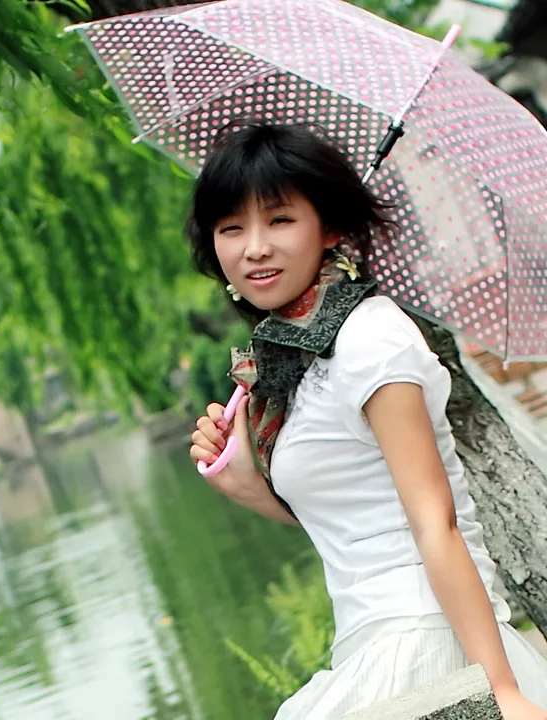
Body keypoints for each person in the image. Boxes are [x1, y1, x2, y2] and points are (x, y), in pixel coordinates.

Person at [187, 123, 547, 719]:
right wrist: (247, 484)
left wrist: (502, 691)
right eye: (232, 228)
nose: (255, 247)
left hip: (428, 638)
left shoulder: (371, 340)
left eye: (280, 220)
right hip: (370, 644)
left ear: (329, 228)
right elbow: (358, 527)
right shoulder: (299, 360)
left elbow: (436, 524)